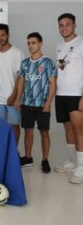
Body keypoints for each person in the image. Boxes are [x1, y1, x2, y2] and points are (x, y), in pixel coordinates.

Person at [15, 32, 57, 173]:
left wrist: (48, 103)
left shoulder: (48, 62)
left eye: (33, 42)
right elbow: (21, 83)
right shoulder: (25, 63)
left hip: (42, 105)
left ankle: (45, 160)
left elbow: (53, 84)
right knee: (28, 131)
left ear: (40, 43)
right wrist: (17, 99)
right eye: (28, 43)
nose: (30, 45)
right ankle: (28, 158)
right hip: (27, 103)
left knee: (44, 132)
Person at [53, 13, 83, 183]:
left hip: (76, 93)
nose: (64, 28)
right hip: (61, 93)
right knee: (68, 129)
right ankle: (73, 162)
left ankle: (81, 167)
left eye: (67, 24)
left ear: (74, 25)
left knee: (79, 130)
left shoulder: (81, 43)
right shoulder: (59, 46)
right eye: (61, 25)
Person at [0, 24, 23, 144]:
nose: (1, 38)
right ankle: (3, 152)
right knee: (0, 127)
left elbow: (20, 77)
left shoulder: (17, 53)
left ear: (8, 35)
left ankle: (14, 153)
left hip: (12, 97)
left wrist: (14, 96)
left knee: (14, 125)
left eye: (3, 35)